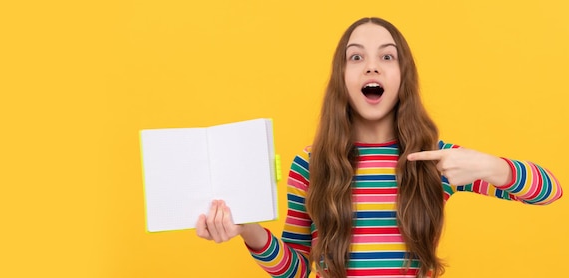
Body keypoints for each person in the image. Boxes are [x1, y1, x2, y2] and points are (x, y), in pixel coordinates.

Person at [195, 17, 563, 278]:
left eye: (387, 56)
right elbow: (294, 268)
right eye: (356, 57)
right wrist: (248, 229)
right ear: (342, 78)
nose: (372, 67)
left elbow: (551, 191)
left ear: (404, 76)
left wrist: (489, 166)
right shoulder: (309, 164)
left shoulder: (437, 159)